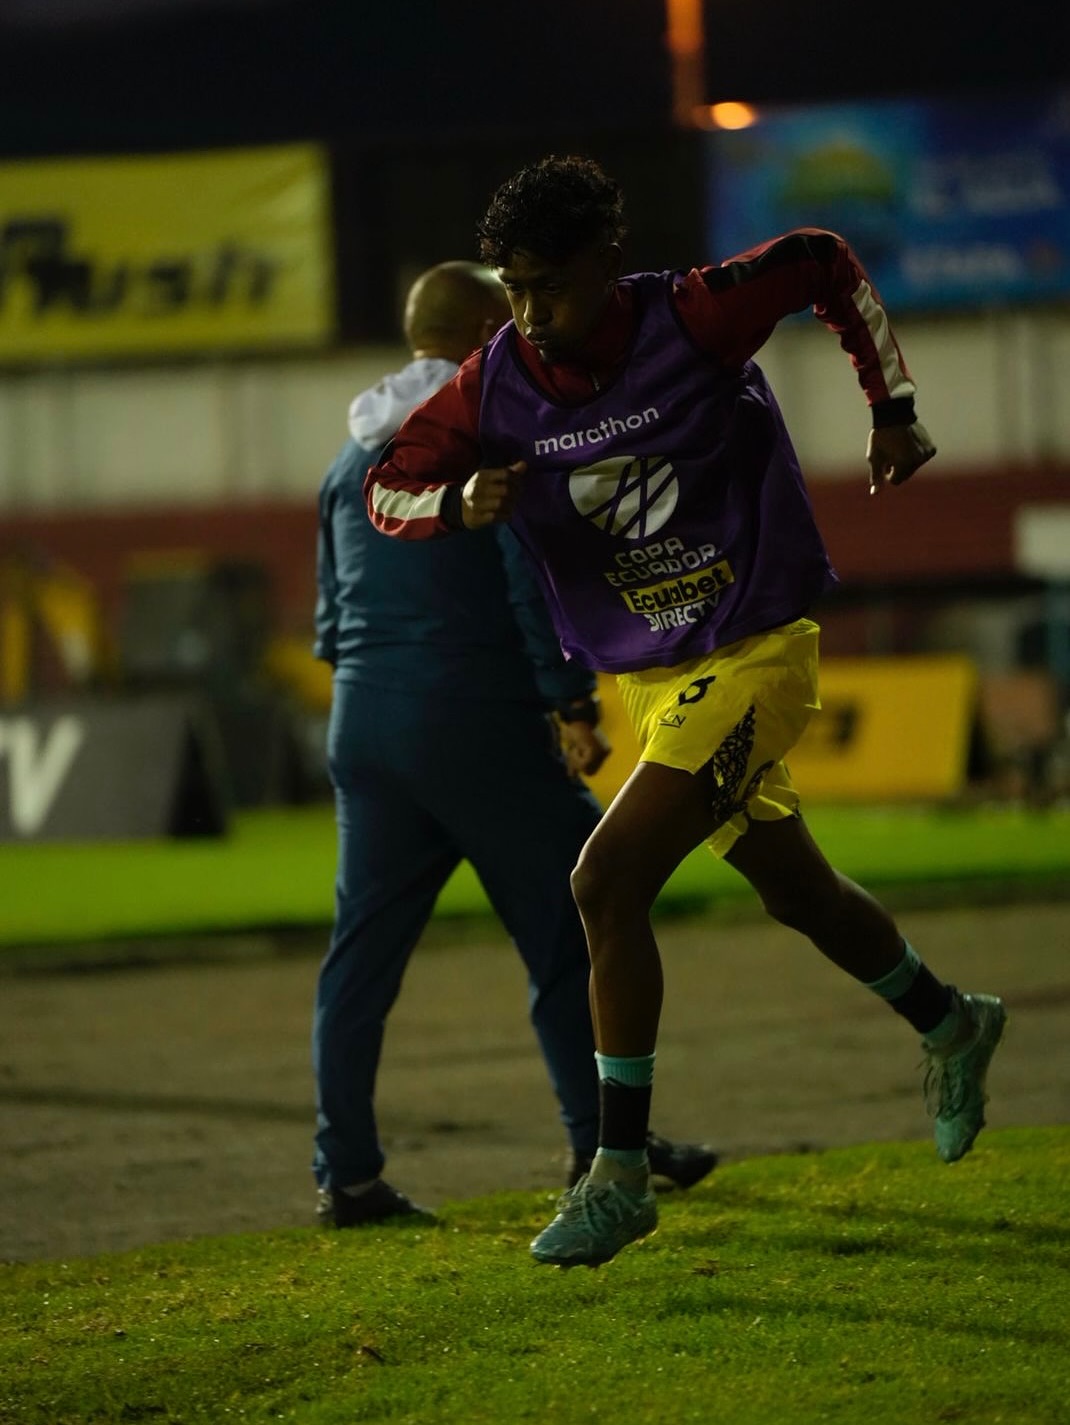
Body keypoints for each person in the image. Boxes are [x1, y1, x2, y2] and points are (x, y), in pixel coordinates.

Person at [364, 159, 1008, 1265]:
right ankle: (952, 1021)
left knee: (602, 881)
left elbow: (819, 260)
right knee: (796, 892)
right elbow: (386, 487)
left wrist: (892, 408)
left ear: (606, 263)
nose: (528, 312)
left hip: (756, 653)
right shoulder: (496, 380)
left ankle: (616, 1174)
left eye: (547, 286)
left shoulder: (692, 315)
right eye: (511, 287)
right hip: (653, 681)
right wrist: (455, 502)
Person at [312, 259, 718, 1228]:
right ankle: (602, 1140)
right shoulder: (483, 438)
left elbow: (329, 621)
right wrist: (568, 703)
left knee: (358, 964)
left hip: (362, 724)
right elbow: (523, 581)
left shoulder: (345, 460)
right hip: (474, 718)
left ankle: (349, 1177)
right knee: (575, 923)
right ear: (491, 328)